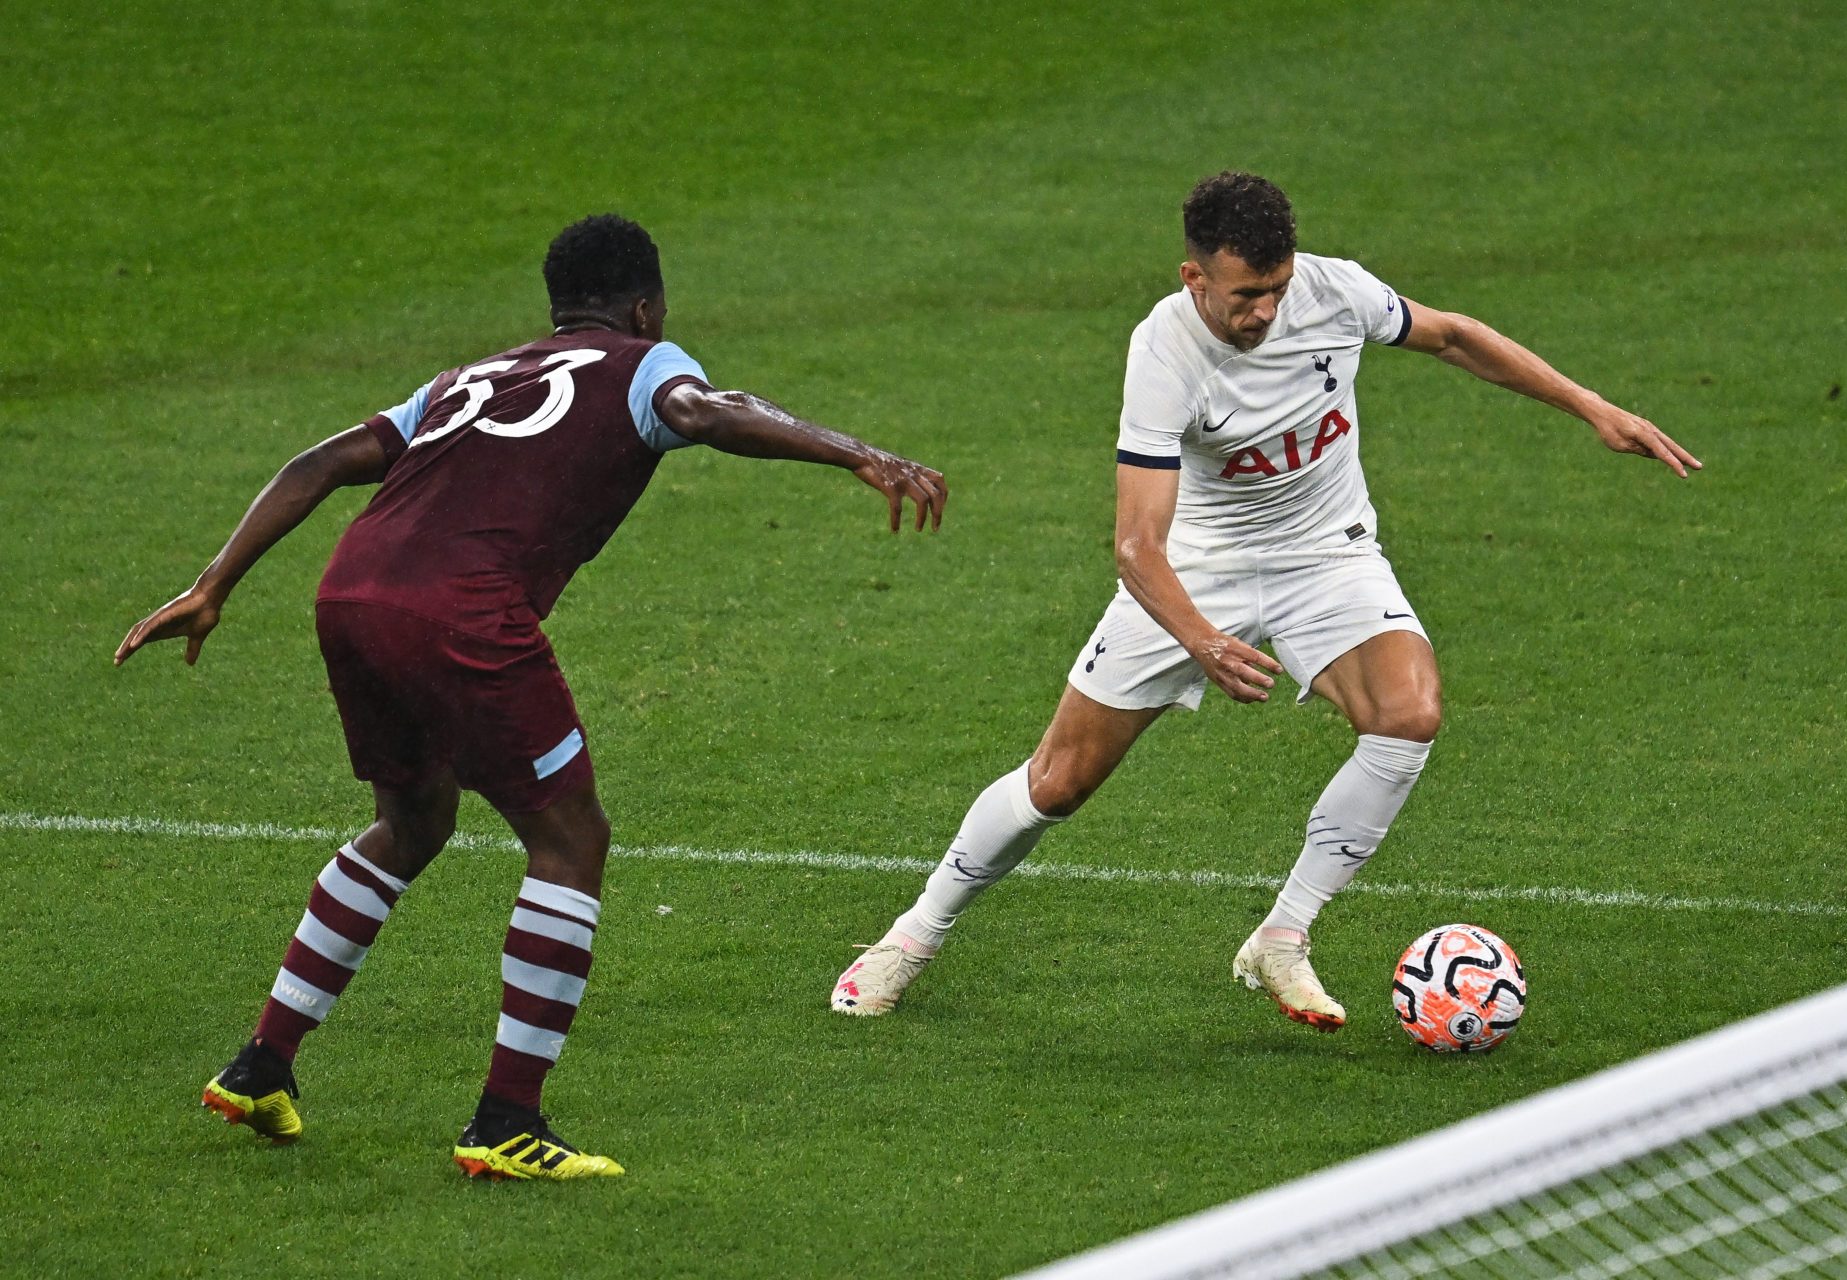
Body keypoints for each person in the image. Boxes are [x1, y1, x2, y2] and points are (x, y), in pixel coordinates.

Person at [117, 213, 947, 1179]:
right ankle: (506, 1120)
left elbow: (320, 462)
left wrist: (214, 585)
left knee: (413, 820)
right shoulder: (642, 361)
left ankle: (262, 1065)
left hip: (351, 594)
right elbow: (705, 410)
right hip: (461, 613)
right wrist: (854, 450)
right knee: (570, 840)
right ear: (646, 305)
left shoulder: (467, 379)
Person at [831, 172, 1697, 1026]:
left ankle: (1283, 936)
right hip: (1191, 569)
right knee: (1059, 783)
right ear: (1194, 278)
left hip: (1325, 553)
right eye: (1247, 295)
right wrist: (1203, 640)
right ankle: (910, 938)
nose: (1266, 313)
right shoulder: (1164, 352)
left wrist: (1589, 406)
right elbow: (1136, 546)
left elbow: (1455, 337)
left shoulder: (1335, 291)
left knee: (1409, 713)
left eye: (1277, 290)